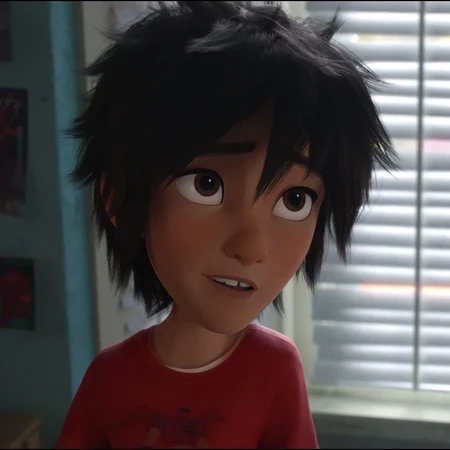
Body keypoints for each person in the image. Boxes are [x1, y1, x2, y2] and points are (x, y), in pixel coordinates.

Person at [56, 1, 397, 448]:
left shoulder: (274, 369)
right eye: (206, 185)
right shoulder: (110, 377)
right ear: (119, 199)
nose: (250, 247)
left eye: (294, 200)